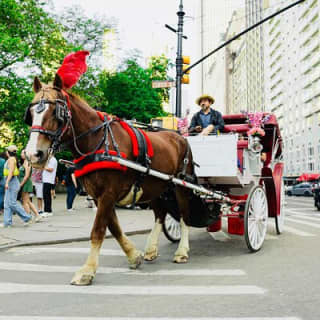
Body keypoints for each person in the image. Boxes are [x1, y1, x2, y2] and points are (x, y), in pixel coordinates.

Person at [0, 145, 32, 228]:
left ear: (8, 152)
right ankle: (7, 223)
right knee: (7, 204)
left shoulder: (11, 160)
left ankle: (27, 217)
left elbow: (10, 172)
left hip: (12, 182)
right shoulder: (12, 159)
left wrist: (6, 182)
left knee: (12, 203)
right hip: (11, 182)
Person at [19, 150, 42, 222]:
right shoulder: (24, 162)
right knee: (27, 201)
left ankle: (28, 217)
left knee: (25, 201)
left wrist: (20, 185)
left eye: (22, 153)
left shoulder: (27, 163)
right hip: (24, 182)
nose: (21, 154)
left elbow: (26, 176)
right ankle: (36, 215)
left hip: (25, 183)